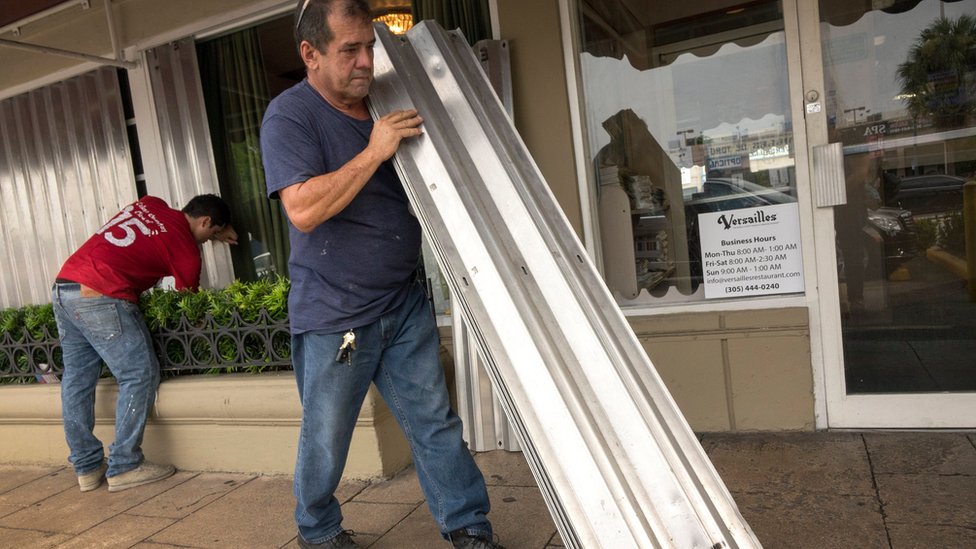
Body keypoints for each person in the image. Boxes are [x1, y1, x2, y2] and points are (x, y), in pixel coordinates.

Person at [260, 1, 503, 548]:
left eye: (369, 46)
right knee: (326, 438)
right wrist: (374, 151)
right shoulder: (290, 117)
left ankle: (468, 526)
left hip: (403, 301)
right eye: (350, 50)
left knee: (435, 422)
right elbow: (301, 208)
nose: (367, 61)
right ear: (311, 54)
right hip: (335, 318)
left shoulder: (385, 100)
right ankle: (318, 532)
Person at [52, 194, 237, 493]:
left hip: (65, 285)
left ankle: (86, 467)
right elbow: (189, 303)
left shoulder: (152, 204)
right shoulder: (186, 250)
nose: (208, 241)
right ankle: (125, 465)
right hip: (102, 292)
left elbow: (148, 235)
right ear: (204, 222)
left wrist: (218, 230)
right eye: (211, 235)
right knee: (139, 374)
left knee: (77, 379)